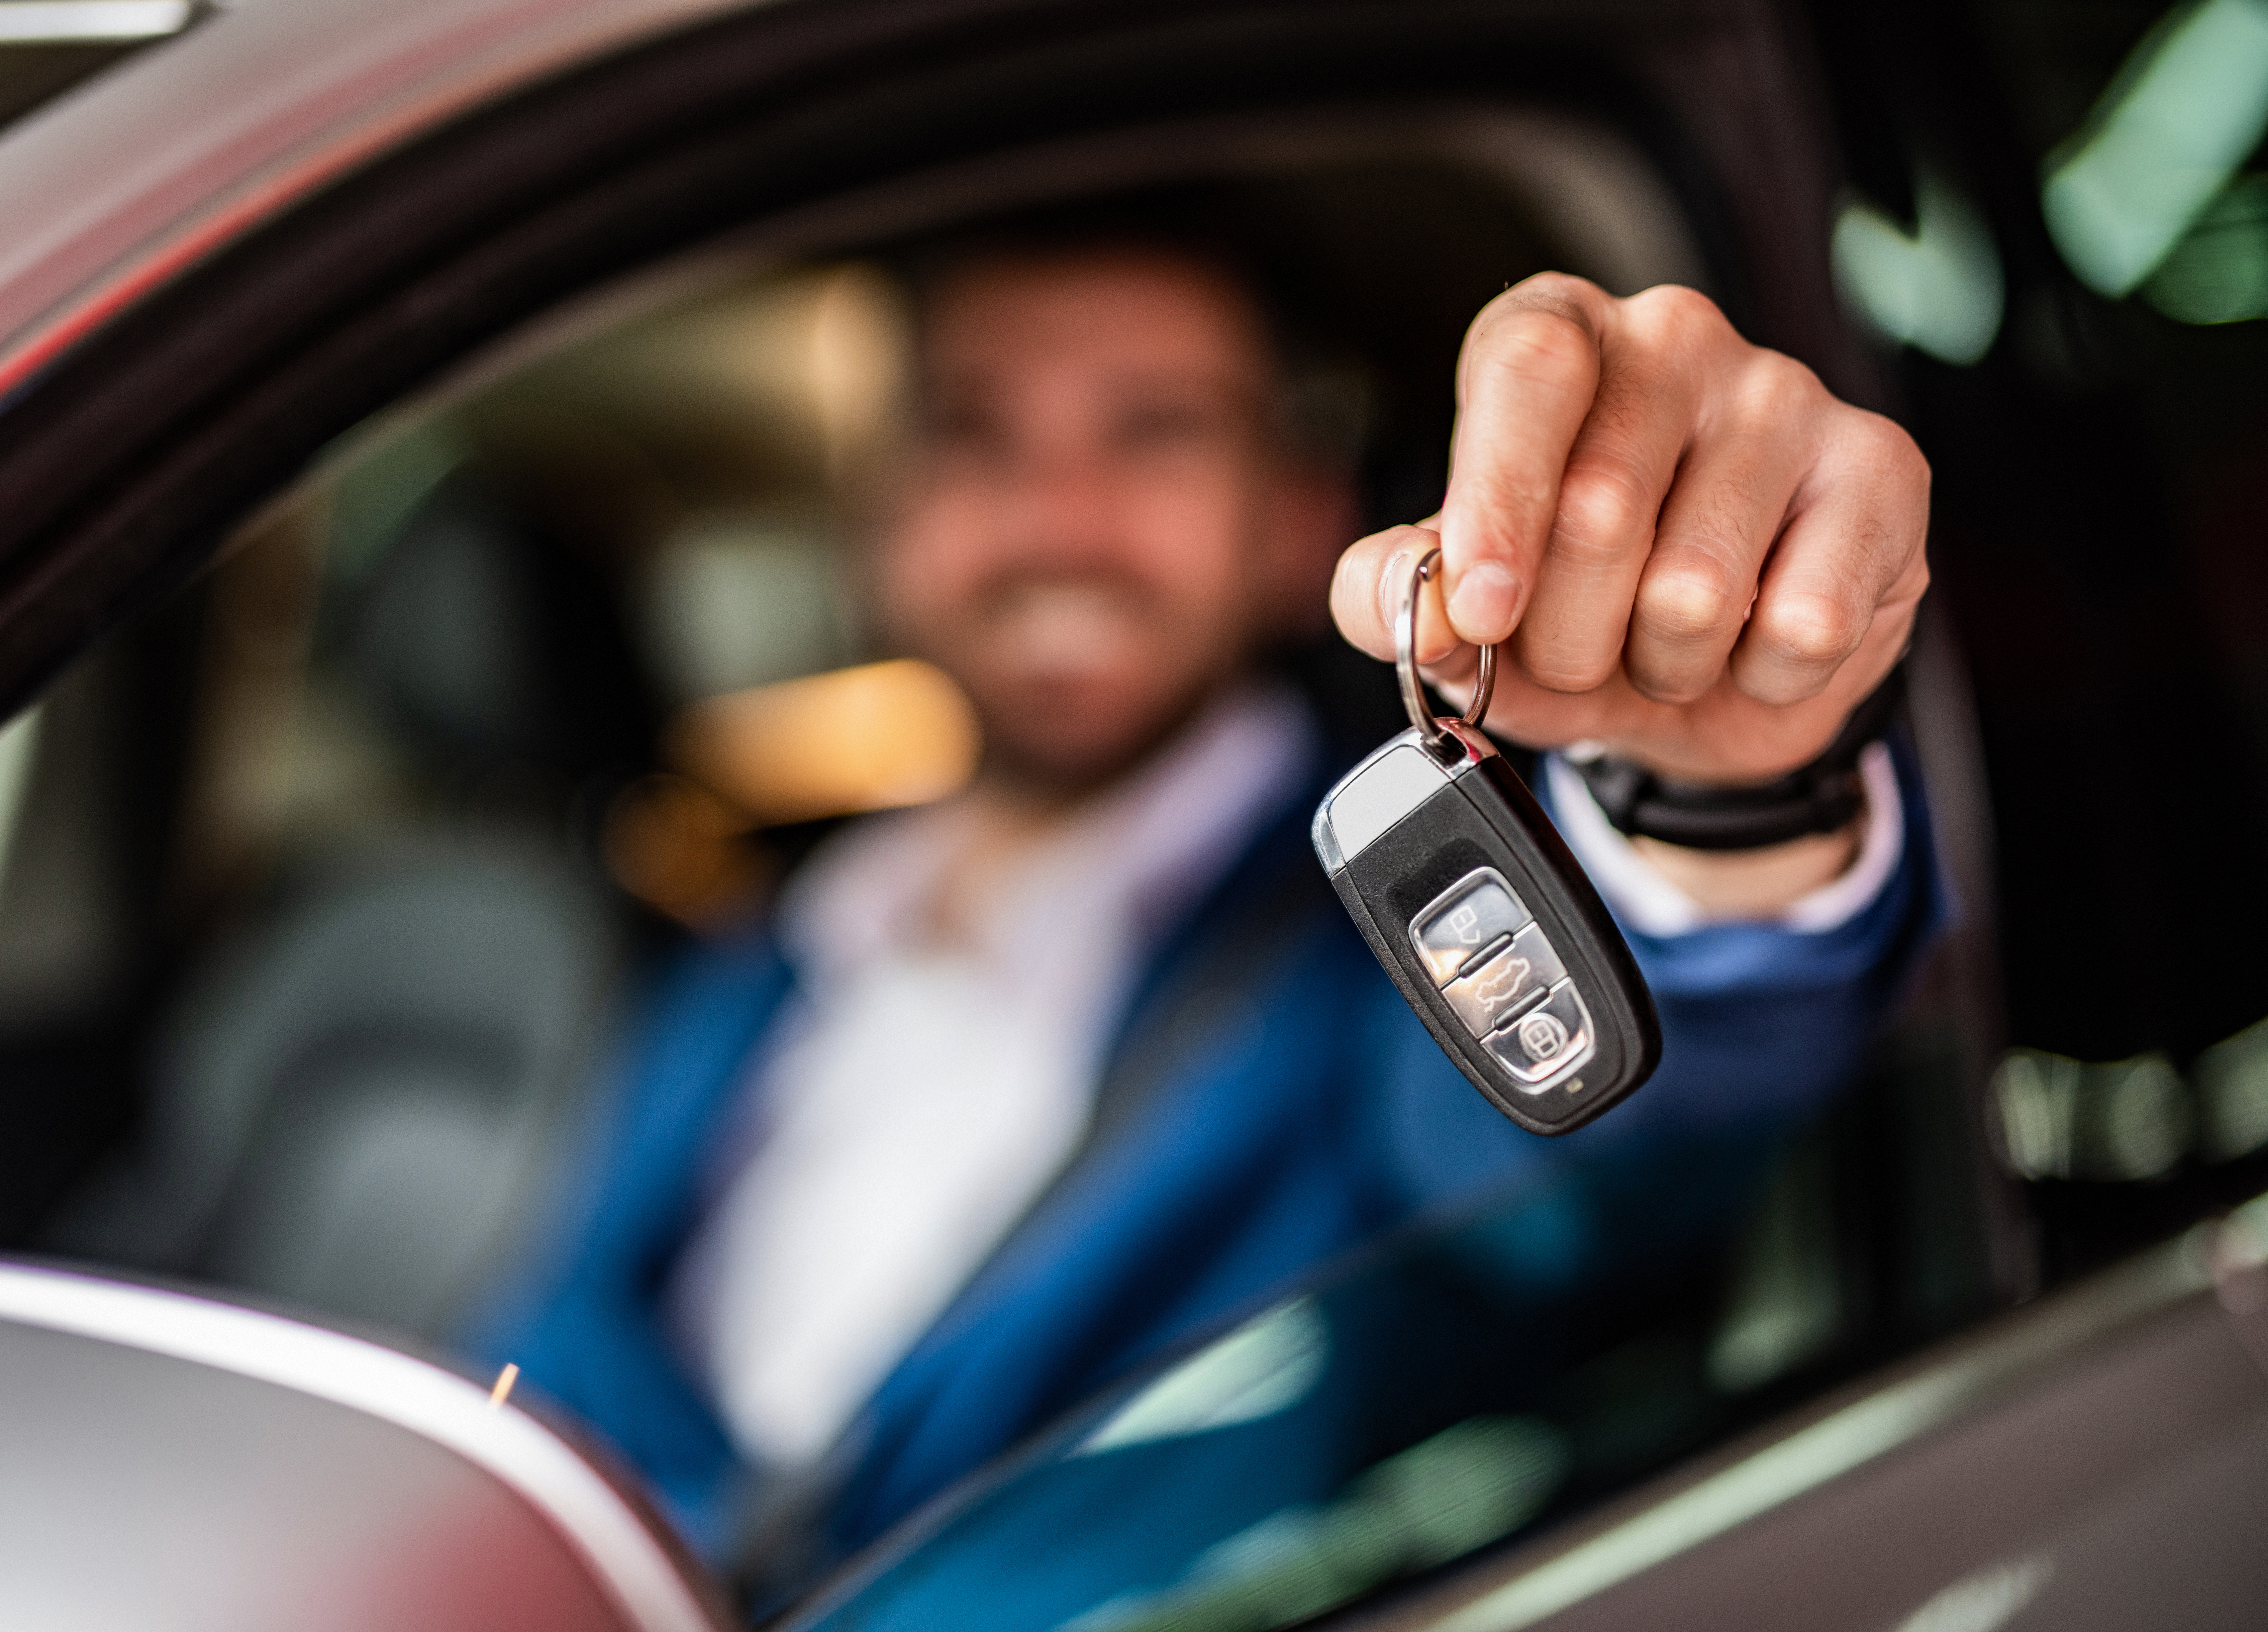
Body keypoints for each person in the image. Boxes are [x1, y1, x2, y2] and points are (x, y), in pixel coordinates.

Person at [473, 239, 1942, 1585]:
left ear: (1292, 509)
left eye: (1153, 430)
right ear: (888, 506)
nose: (1055, 517)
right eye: (974, 430)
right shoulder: (738, 950)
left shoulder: (1369, 962)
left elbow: (1592, 1153)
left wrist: (1717, 790)